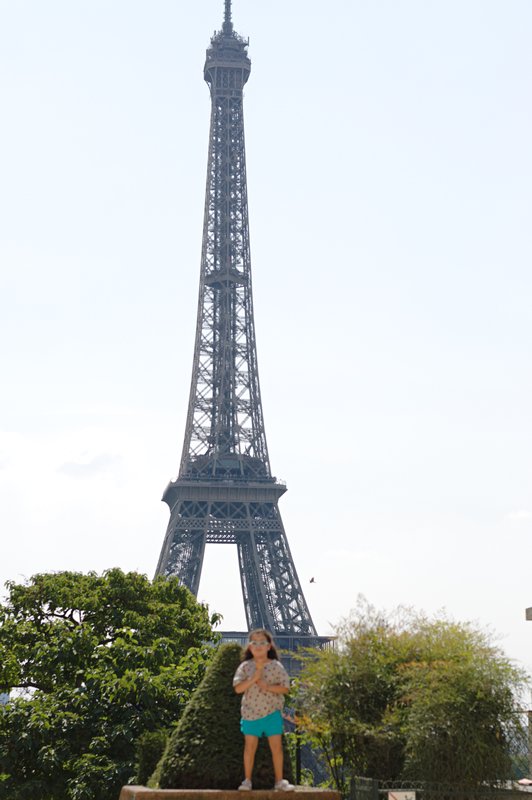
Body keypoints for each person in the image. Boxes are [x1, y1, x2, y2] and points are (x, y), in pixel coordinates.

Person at [233, 629, 294, 791]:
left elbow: (285, 688)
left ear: (269, 646)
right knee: (249, 747)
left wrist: (267, 686)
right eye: (255, 642)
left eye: (262, 642)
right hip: (250, 713)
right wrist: (254, 678)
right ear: (250, 647)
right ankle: (247, 780)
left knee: (277, 747)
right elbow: (238, 688)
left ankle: (279, 780)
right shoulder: (245, 667)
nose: (258, 646)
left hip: (272, 713)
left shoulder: (276, 666)